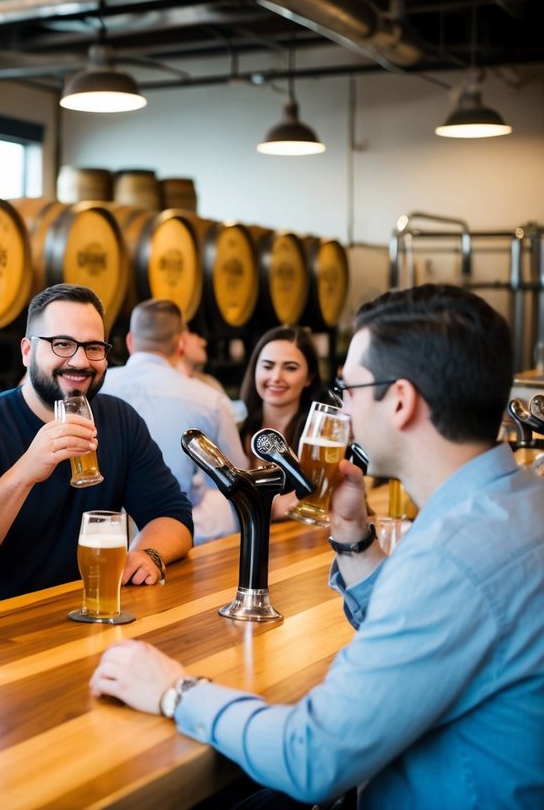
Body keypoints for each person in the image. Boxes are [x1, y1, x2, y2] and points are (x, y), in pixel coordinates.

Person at [90, 284, 544, 806]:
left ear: (400, 401)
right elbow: (428, 627)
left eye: (348, 386)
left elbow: (312, 756)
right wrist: (353, 539)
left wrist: (174, 688)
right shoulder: (520, 503)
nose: (340, 403)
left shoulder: (450, 556)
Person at [0, 284, 193, 621]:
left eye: (93, 347)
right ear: (27, 351)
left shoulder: (120, 420)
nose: (79, 361)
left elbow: (174, 515)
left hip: (71, 618)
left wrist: (149, 552)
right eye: (62, 344)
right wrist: (26, 471)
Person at [100, 300, 243, 543]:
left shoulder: (95, 386)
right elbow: (237, 484)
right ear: (180, 345)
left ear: (130, 341)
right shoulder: (210, 401)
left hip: (99, 537)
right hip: (178, 540)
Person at [237, 326, 324, 519]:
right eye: (267, 366)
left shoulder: (318, 438)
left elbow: (316, 500)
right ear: (254, 371)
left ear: (309, 377)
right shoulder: (237, 429)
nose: (276, 377)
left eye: (290, 368)